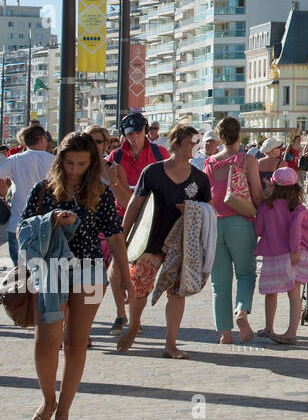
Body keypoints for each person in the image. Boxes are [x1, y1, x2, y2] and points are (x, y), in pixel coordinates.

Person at [21, 131, 128, 420]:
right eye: (69, 163)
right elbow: (24, 228)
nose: (75, 169)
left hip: (91, 269)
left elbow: (115, 235)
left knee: (76, 342)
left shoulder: (101, 192)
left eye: (82, 163)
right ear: (60, 160)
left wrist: (125, 278)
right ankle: (48, 400)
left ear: (92, 162)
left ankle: (64, 411)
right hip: (51, 268)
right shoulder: (43, 190)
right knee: (46, 341)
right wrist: (52, 219)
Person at [116, 124, 213, 358]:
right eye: (191, 142)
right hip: (150, 240)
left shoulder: (200, 179)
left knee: (177, 292)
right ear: (177, 144)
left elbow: (209, 211)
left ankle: (170, 344)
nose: (195, 146)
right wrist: (123, 238)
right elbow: (135, 205)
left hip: (181, 244)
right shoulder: (153, 172)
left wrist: (193, 209)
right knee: (139, 289)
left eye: (196, 142)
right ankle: (134, 324)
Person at [206, 117, 265, 343]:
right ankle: (241, 311)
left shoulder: (210, 162)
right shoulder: (247, 160)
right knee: (246, 272)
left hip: (215, 223)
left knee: (219, 281)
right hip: (241, 221)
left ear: (219, 137)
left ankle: (225, 333)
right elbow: (257, 194)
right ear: (239, 134)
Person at [254, 165, 308, 345]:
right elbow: (295, 231)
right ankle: (291, 332)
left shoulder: (265, 206)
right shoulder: (298, 208)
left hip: (273, 255)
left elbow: (258, 229)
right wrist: (294, 250)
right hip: (296, 254)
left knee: (271, 292)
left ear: (273, 185)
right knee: (294, 294)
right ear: (295, 187)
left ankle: (269, 327)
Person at [84, 126, 131, 335]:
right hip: (87, 232)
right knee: (91, 280)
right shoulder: (78, 168)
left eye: (99, 142)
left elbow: (126, 201)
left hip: (112, 228)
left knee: (116, 273)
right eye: (90, 141)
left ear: (106, 144)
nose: (95, 146)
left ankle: (121, 313)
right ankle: (86, 324)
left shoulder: (114, 168)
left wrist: (111, 180)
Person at [0, 124, 56, 264]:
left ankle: (23, 285)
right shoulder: (54, 161)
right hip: (48, 223)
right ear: (42, 139)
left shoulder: (14, 160)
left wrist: (3, 192)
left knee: (20, 274)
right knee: (44, 272)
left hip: (18, 223)